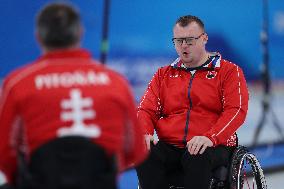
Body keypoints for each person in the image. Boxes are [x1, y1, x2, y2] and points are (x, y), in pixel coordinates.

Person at [0, 2, 147, 189]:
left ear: (38, 37)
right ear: (80, 33)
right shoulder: (116, 82)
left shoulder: (17, 83)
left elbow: (5, 153)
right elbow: (135, 150)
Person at [136, 15, 249, 189]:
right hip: (171, 144)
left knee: (196, 155)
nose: (183, 46)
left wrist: (210, 137)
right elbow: (146, 109)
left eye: (189, 40)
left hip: (212, 144)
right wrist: (144, 133)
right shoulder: (163, 74)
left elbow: (236, 110)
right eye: (178, 41)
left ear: (204, 38)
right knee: (144, 152)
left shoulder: (229, 71)